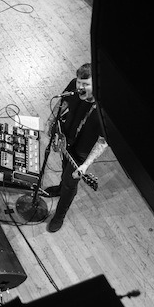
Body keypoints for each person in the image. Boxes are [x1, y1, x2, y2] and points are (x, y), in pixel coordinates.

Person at [43, 63, 109, 233]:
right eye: (79, 82)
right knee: (64, 169)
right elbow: (63, 102)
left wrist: (85, 166)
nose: (80, 87)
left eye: (85, 84)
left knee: (69, 185)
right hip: (66, 138)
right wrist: (51, 120)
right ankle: (59, 188)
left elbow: (102, 141)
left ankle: (59, 216)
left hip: (80, 154)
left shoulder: (104, 110)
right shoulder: (74, 85)